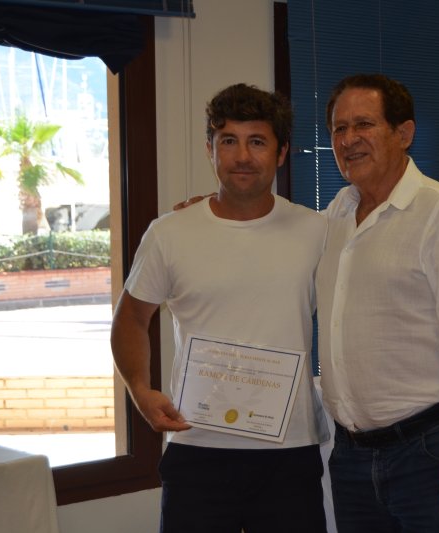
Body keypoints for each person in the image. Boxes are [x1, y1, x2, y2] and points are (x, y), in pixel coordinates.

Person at [111, 83, 329, 533]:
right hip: (197, 447)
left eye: (257, 141)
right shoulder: (170, 232)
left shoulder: (318, 232)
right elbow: (132, 318)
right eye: (228, 141)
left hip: (288, 452)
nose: (242, 156)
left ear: (282, 152)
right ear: (209, 149)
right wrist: (141, 389)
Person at [316, 74, 439, 533]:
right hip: (352, 459)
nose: (349, 139)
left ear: (404, 134)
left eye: (364, 124)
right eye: (339, 129)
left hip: (431, 452)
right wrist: (215, 211)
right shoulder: (334, 216)